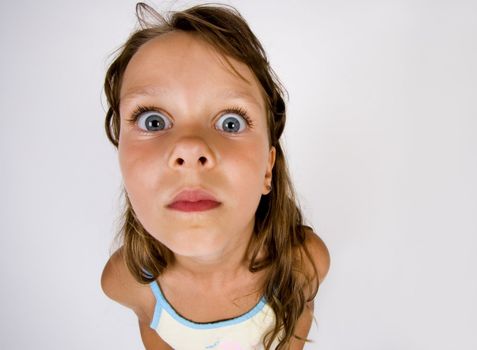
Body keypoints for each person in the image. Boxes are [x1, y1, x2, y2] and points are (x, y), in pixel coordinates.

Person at [100, 2, 331, 349]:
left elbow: (301, 311)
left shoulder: (305, 261)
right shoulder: (124, 281)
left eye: (230, 122)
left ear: (268, 169)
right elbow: (151, 326)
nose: (190, 148)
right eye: (153, 121)